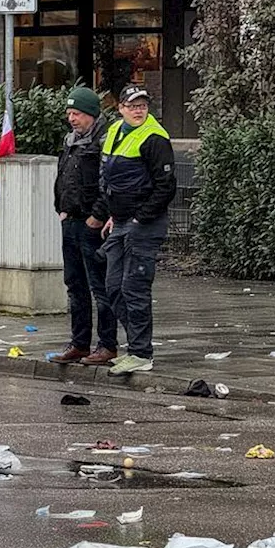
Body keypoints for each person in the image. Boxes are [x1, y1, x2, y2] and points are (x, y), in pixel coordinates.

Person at [96, 85, 176, 375]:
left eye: (143, 105)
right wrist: (111, 215)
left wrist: (140, 219)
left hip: (144, 224)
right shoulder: (116, 132)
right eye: (133, 105)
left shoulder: (154, 138)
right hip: (120, 221)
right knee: (113, 287)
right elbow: (109, 179)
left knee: (134, 287)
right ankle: (136, 346)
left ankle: (142, 352)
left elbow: (166, 187)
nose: (139, 110)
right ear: (121, 108)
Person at [50, 87, 117, 367]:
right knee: (74, 285)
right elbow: (64, 175)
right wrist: (61, 208)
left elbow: (109, 181)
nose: (72, 119)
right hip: (71, 220)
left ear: (91, 113)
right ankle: (79, 343)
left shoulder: (104, 141)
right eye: (69, 113)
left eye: (76, 113)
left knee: (99, 286)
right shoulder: (72, 141)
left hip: (92, 225)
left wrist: (97, 216)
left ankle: (107, 345)